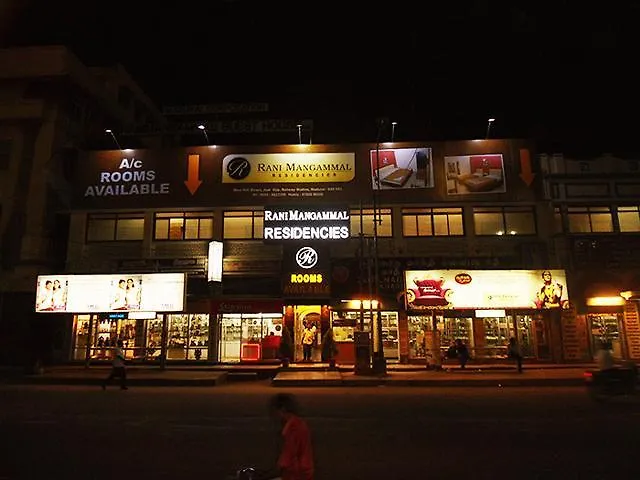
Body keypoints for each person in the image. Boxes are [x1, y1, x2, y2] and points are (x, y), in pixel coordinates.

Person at [268, 393, 314, 480]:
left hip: (297, 473)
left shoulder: (293, 427)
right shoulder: (298, 423)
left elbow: (289, 452)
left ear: (282, 409)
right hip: (301, 471)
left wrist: (279, 466)